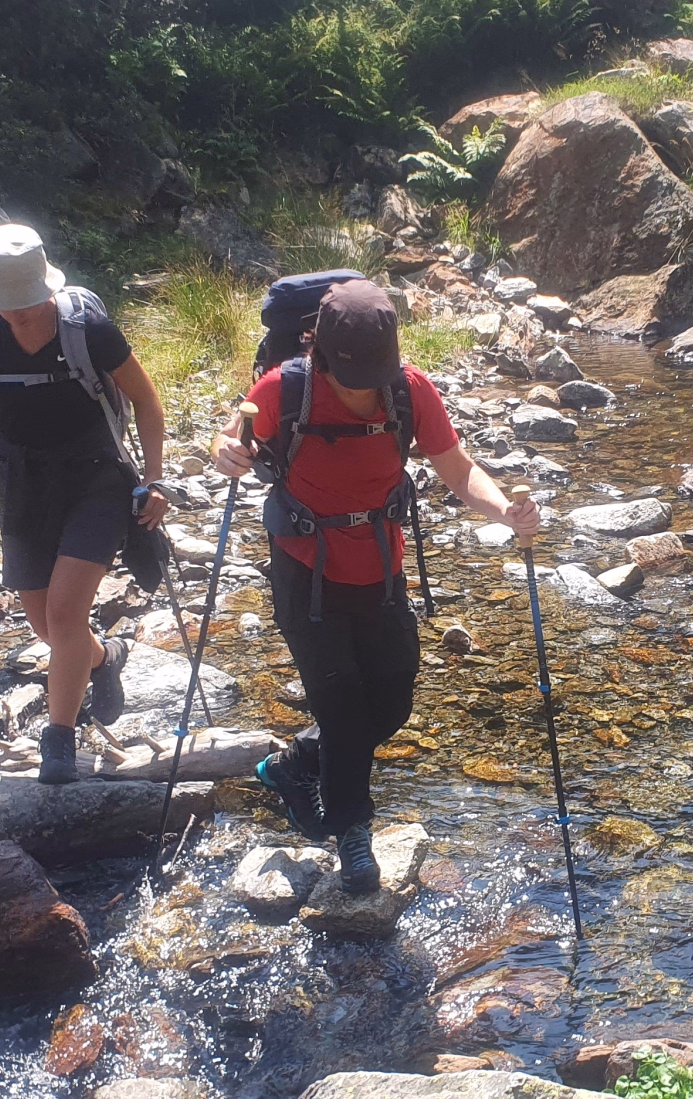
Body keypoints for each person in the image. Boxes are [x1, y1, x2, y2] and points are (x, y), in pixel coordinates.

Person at [212, 279, 540, 894]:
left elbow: (459, 469)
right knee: (341, 709)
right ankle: (353, 834)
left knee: (388, 706)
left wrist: (505, 512)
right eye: (351, 374)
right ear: (320, 351)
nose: (363, 387)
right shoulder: (284, 388)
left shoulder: (409, 391)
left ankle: (292, 765)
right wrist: (228, 453)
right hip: (305, 572)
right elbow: (231, 441)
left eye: (375, 372)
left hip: (382, 571)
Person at [0, 224, 171, 784]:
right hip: (22, 483)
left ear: (45, 289)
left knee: (67, 613)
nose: (17, 315)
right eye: (7, 306)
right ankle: (103, 658)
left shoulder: (88, 328)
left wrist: (156, 479)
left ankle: (59, 739)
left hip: (97, 480)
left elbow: (145, 399)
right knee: (48, 625)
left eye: (25, 304)